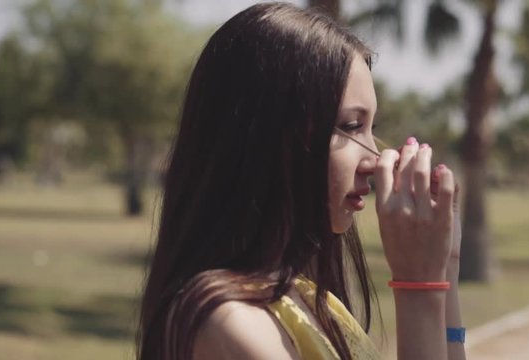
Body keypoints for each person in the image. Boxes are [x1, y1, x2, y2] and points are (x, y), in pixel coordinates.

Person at [137, 2, 466, 359]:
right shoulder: (231, 325)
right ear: (270, 136)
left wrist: (443, 265)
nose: (373, 158)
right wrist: (418, 285)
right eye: (351, 126)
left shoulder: (304, 296)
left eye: (372, 128)